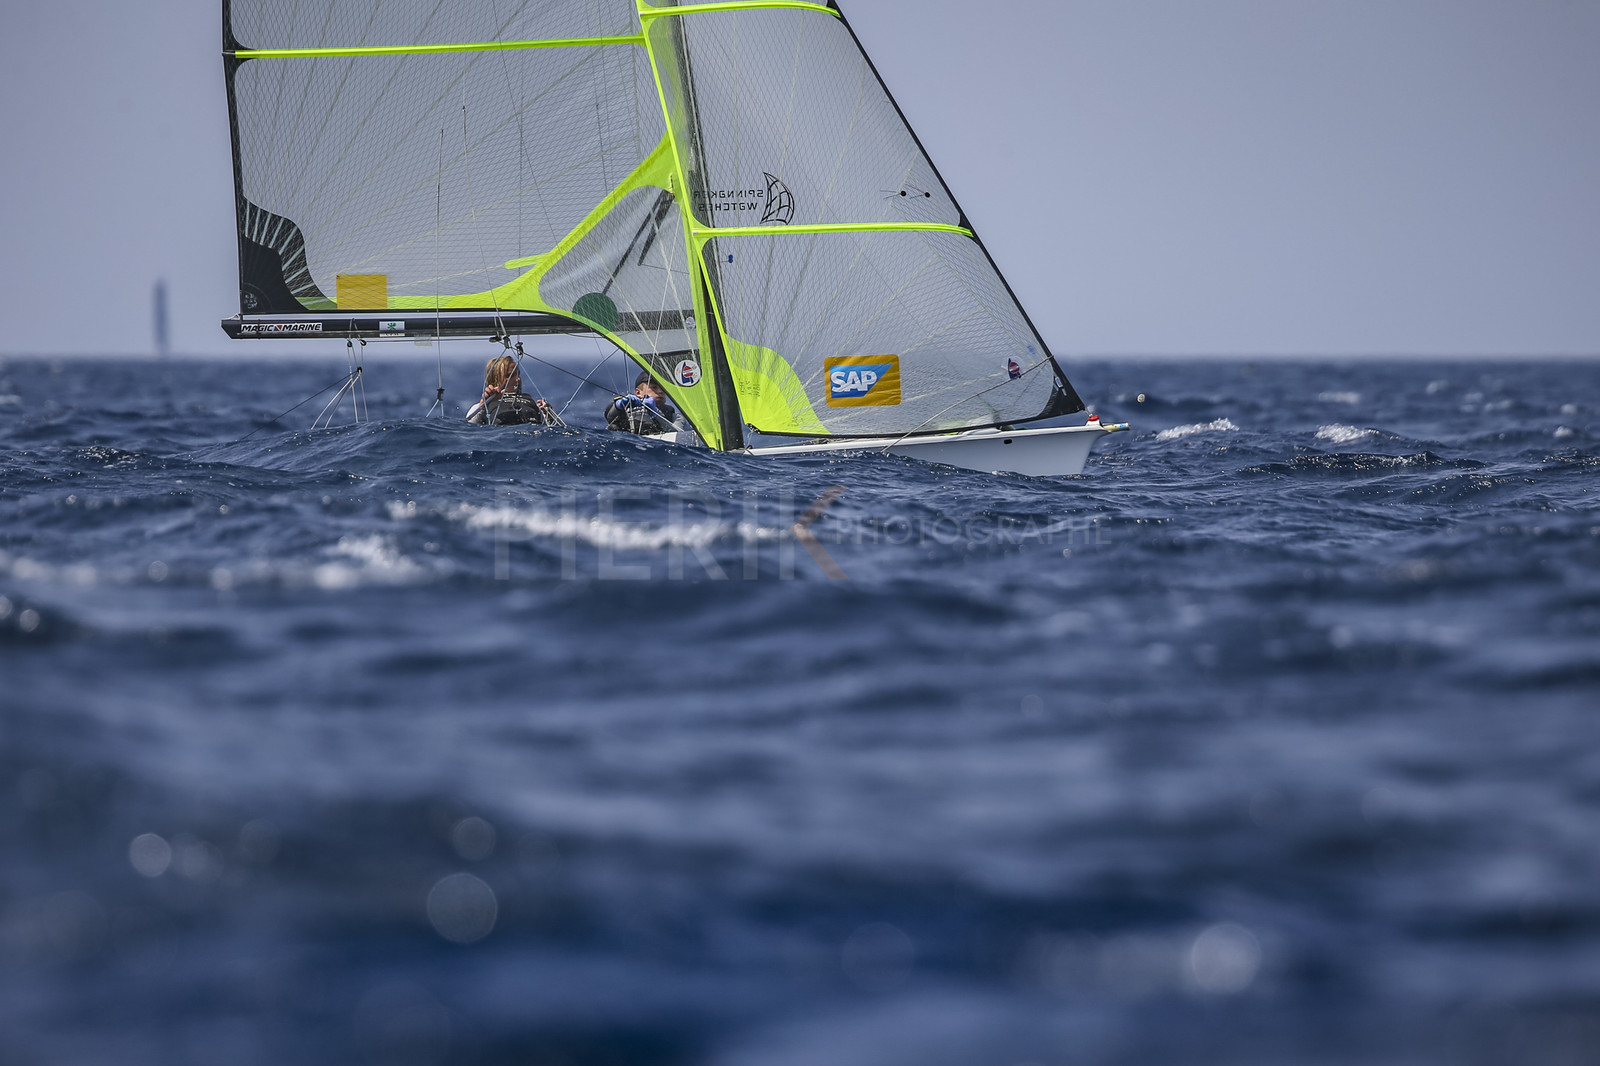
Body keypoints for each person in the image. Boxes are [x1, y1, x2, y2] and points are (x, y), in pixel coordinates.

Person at [466, 355, 561, 426]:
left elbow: (554, 429)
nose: (517, 379)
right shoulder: (482, 406)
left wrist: (548, 413)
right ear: (495, 379)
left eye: (518, 374)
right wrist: (484, 403)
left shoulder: (531, 401)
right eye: (510, 376)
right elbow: (470, 424)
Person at [605, 370, 678, 436]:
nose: (660, 391)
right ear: (638, 392)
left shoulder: (672, 414)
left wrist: (656, 415)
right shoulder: (627, 407)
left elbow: (679, 434)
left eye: (663, 388)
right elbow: (609, 417)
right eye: (654, 387)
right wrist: (618, 406)